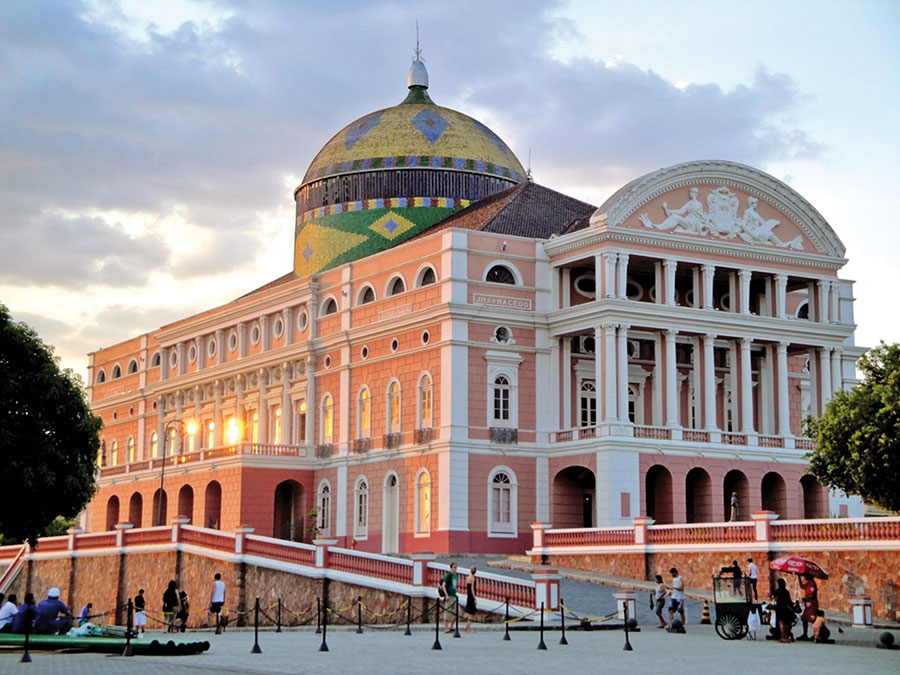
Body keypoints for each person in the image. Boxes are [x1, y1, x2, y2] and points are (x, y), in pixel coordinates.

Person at [773, 578, 795, 643]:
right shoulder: (786, 592)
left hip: (780, 608)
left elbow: (775, 599)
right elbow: (789, 601)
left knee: (781, 623)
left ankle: (783, 637)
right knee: (786, 624)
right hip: (786, 609)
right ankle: (787, 637)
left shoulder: (778, 591)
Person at [798, 574, 819, 640]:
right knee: (804, 618)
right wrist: (799, 577)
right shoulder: (808, 583)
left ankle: (815, 634)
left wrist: (806, 598)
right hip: (807, 604)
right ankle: (805, 634)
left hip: (812, 604)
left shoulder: (812, 584)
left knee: (813, 619)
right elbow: (802, 586)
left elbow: (812, 595)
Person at [442, 562, 459, 633]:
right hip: (449, 596)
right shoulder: (448, 575)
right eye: (454, 567)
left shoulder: (456, 575)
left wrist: (455, 589)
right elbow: (443, 585)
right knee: (447, 612)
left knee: (457, 611)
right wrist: (446, 595)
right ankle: (446, 627)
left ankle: (451, 626)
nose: (455, 569)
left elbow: (454, 585)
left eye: (456, 567)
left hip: (454, 595)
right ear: (451, 568)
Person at [463, 566, 477, 632]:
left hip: (468, 596)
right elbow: (472, 589)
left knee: (469, 613)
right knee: (471, 613)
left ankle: (467, 627)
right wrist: (474, 597)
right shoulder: (473, 578)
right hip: (471, 596)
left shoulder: (468, 577)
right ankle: (468, 628)